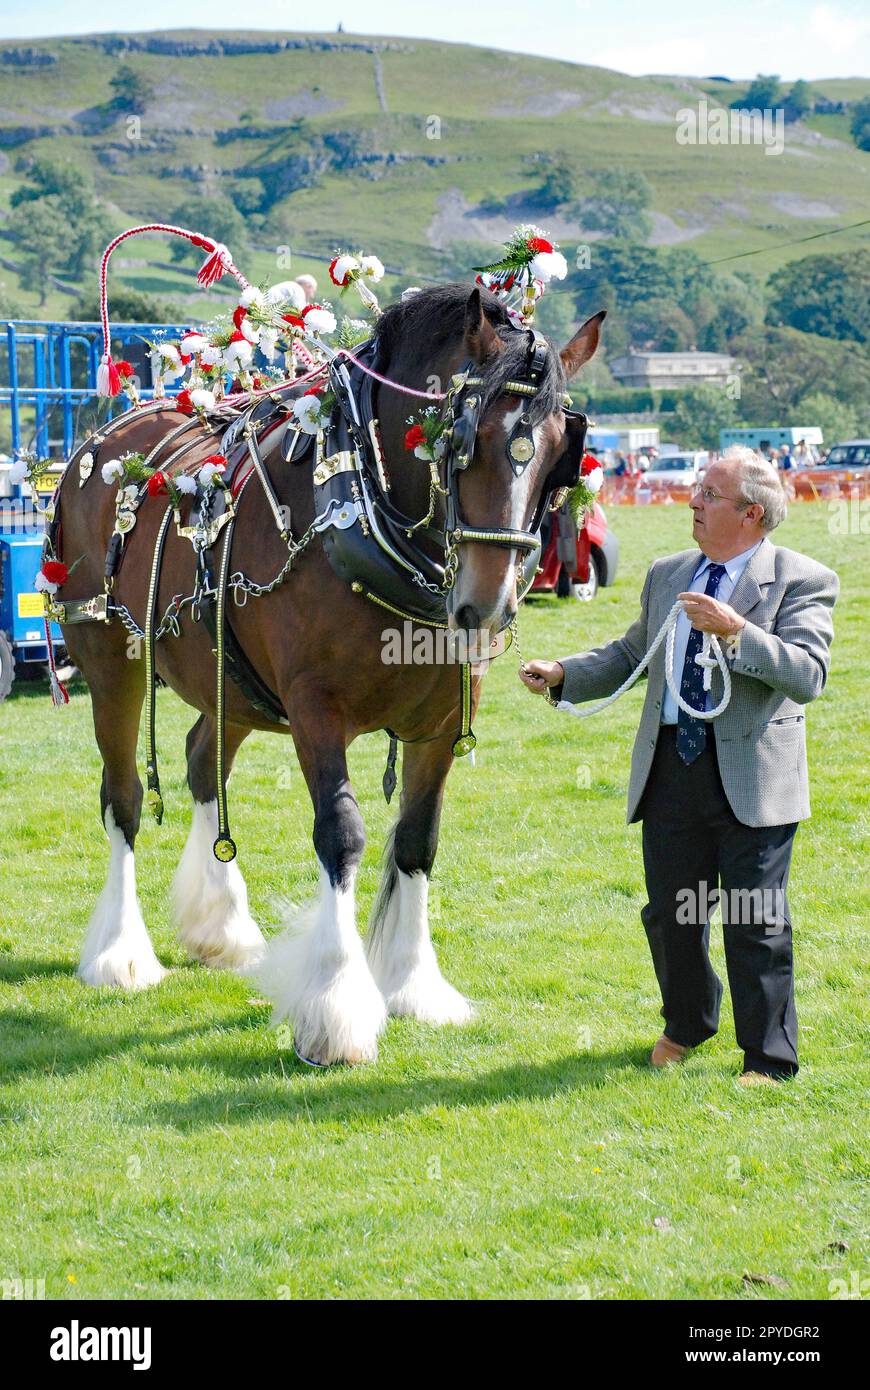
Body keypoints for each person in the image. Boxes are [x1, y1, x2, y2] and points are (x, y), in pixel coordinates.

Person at [520, 447, 838, 1084]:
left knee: (755, 920)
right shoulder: (669, 572)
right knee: (671, 914)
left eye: (709, 495)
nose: (693, 501)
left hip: (751, 778)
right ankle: (688, 1022)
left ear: (751, 513)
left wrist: (735, 631)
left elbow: (807, 675)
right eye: (697, 490)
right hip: (672, 770)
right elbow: (632, 652)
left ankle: (768, 1059)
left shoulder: (803, 578)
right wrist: (564, 675)